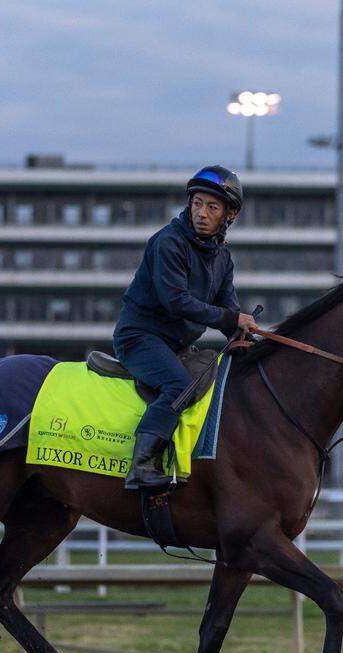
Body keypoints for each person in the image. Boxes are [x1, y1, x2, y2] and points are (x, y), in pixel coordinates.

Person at [113, 165, 258, 491]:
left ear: (230, 215)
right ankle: (141, 466)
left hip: (174, 345)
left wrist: (243, 335)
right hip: (139, 338)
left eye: (212, 207)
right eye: (197, 203)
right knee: (179, 385)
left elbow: (229, 308)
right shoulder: (168, 242)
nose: (201, 213)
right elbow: (175, 301)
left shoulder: (222, 257)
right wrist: (231, 319)